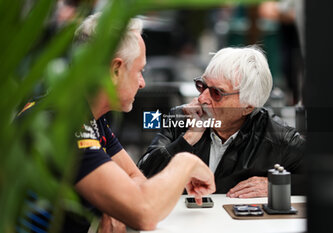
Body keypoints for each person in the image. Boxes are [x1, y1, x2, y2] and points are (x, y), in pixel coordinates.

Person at [19, 13, 215, 232]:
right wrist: (186, 163)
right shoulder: (63, 124)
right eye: (140, 71)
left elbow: (134, 178)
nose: (143, 83)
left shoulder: (83, 111)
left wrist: (115, 206)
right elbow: (144, 211)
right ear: (115, 70)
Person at [138, 46, 305, 198]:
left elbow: (322, 177)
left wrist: (275, 185)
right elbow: (142, 176)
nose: (202, 98)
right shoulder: (181, 117)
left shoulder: (276, 135)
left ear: (248, 106)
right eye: (202, 86)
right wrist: (188, 138)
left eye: (217, 93)